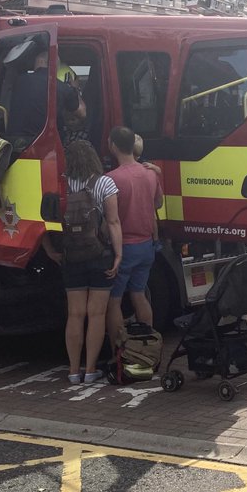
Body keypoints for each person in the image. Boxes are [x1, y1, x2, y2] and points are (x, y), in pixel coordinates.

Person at [41, 140, 122, 384]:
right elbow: (113, 222)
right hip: (99, 256)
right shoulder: (104, 182)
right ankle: (90, 371)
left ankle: (73, 371)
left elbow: (43, 222)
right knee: (96, 314)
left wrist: (50, 251)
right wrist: (118, 255)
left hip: (70, 256)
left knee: (75, 314)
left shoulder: (59, 184)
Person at [105, 126, 164, 344]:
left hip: (125, 247)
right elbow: (158, 202)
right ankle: (148, 345)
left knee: (114, 301)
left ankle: (119, 352)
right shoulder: (150, 173)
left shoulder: (111, 179)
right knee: (139, 294)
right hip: (147, 245)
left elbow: (109, 218)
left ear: (112, 146)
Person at [9, 50, 80, 138]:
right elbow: (74, 107)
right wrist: (75, 88)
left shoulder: (20, 80)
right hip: (49, 142)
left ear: (40, 61)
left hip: (17, 142)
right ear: (56, 67)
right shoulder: (64, 88)